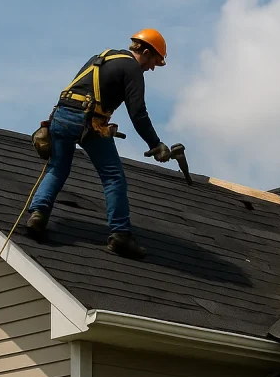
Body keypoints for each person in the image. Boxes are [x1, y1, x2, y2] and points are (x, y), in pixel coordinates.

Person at [26, 29, 172, 259]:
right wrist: (156, 144)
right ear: (144, 51)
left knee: (57, 168)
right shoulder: (133, 69)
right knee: (113, 177)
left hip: (61, 117)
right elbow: (138, 113)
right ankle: (120, 236)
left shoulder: (102, 57)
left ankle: (38, 215)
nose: (152, 67)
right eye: (154, 61)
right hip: (88, 121)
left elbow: (79, 91)